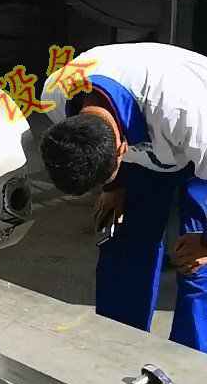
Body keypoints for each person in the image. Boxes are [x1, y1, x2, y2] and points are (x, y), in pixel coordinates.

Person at [39, 42, 207, 352]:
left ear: (121, 150)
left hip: (192, 138)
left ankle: (191, 365)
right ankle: (117, 350)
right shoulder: (55, 95)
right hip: (144, 130)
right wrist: (112, 187)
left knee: (196, 263)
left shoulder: (188, 114)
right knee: (125, 240)